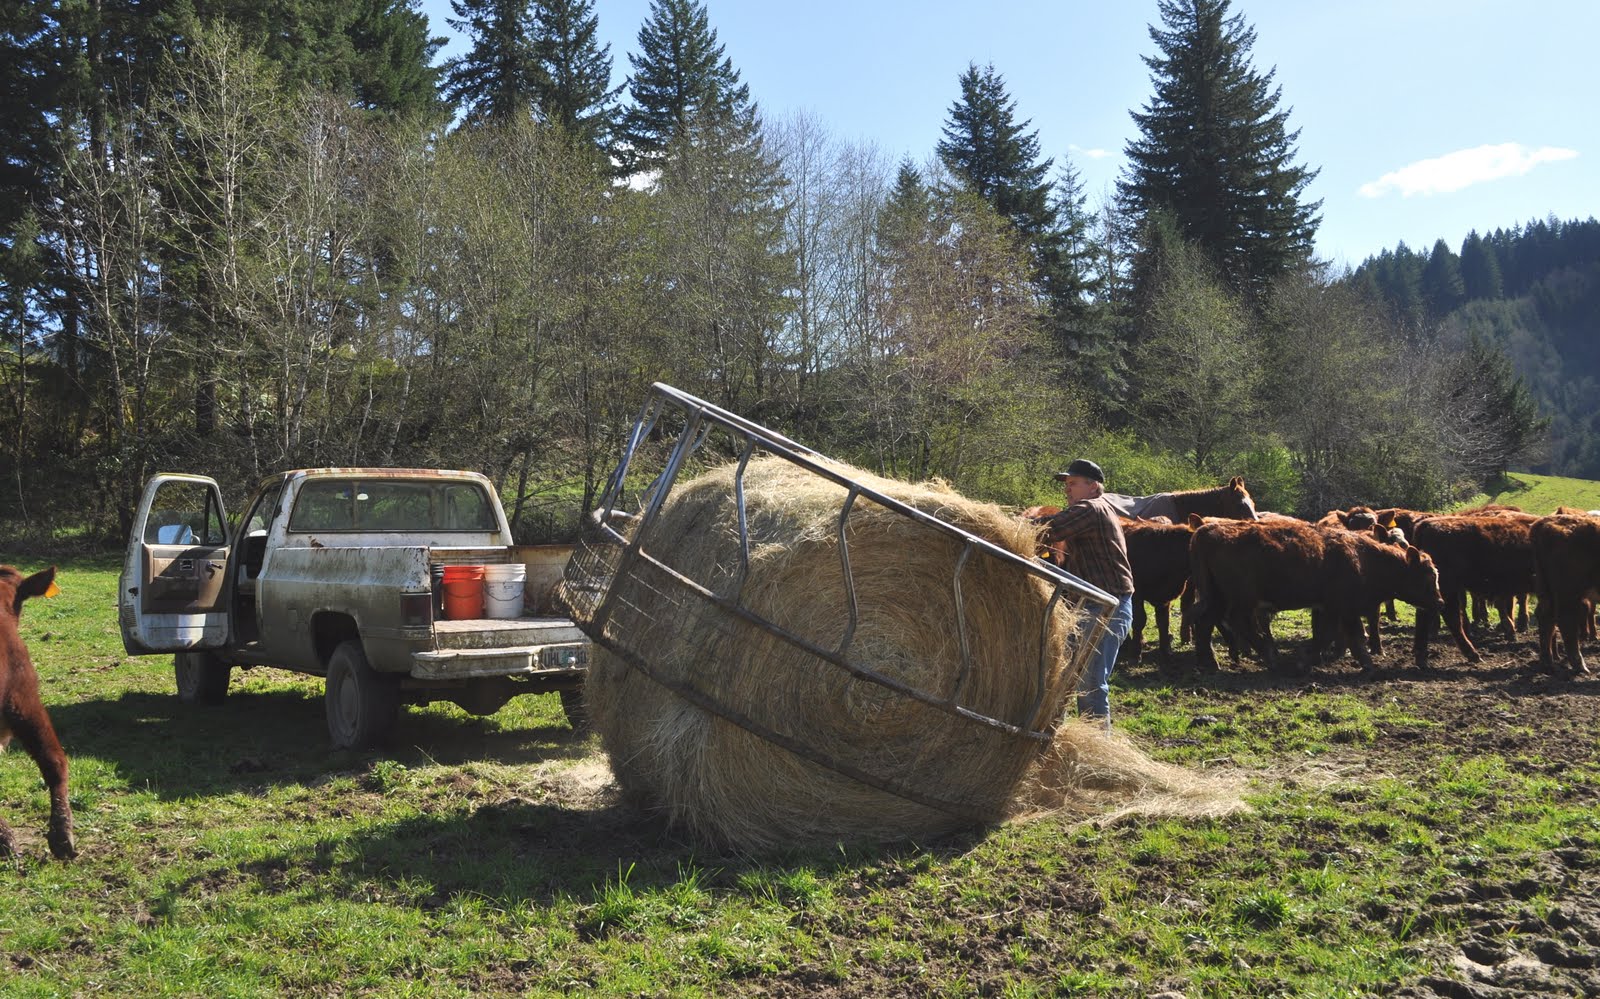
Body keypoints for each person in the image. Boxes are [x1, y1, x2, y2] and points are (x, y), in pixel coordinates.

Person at [1044, 458, 1135, 729]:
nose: (1067, 489)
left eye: (1073, 483)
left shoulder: (1091, 508)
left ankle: (1096, 753)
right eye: (1066, 485)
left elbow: (1049, 528)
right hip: (1093, 606)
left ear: (1093, 486)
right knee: (1068, 677)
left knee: (1091, 682)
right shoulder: (1097, 509)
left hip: (1106, 608)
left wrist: (1004, 528)